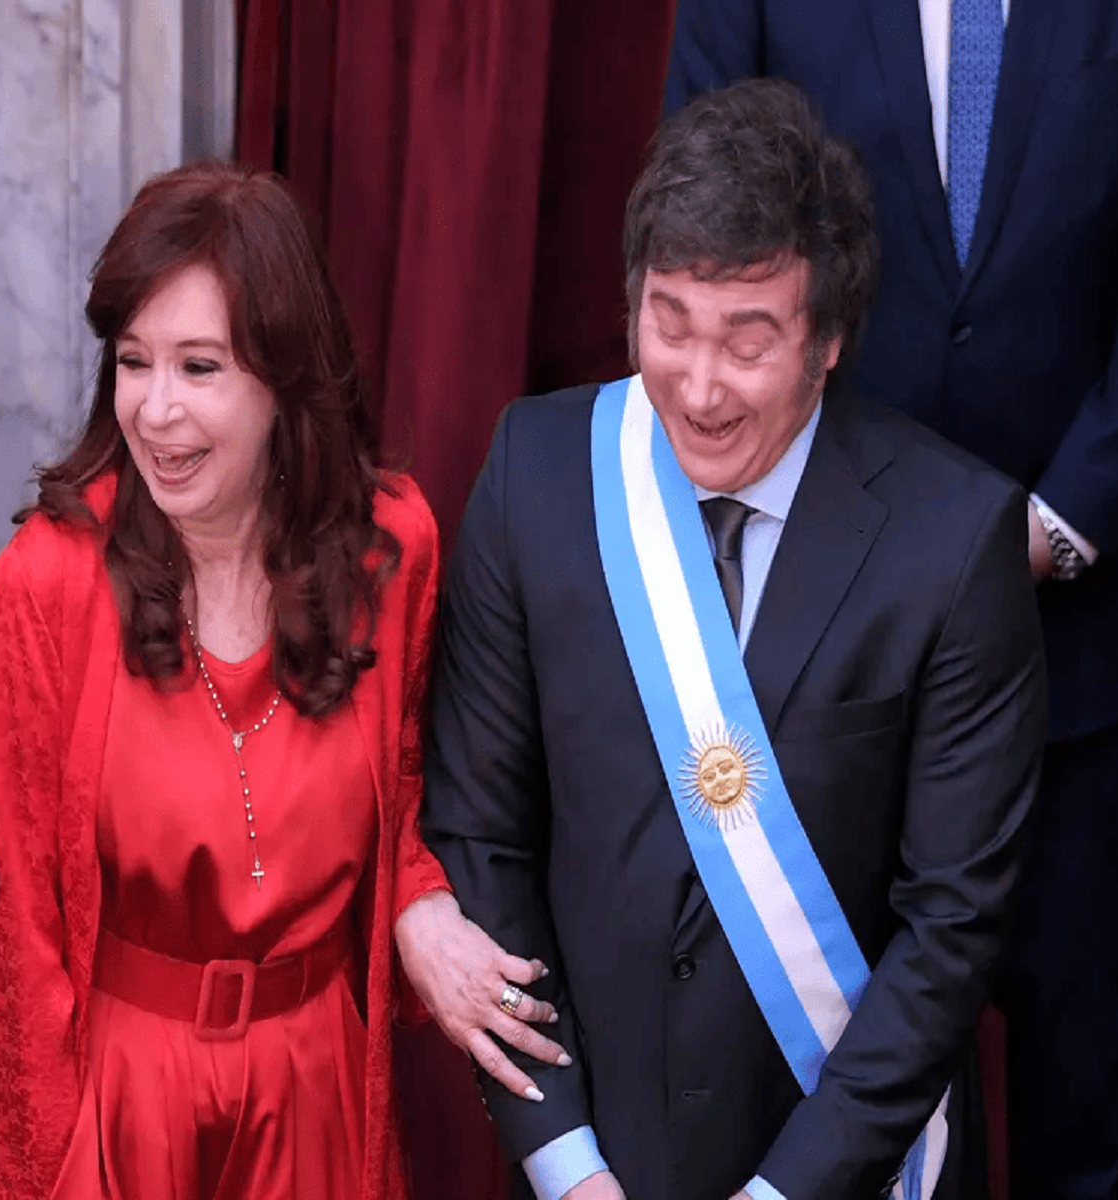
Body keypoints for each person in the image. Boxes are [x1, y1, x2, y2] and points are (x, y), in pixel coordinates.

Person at [404, 80, 1048, 1200]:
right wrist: (565, 1162)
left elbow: (952, 928)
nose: (697, 388)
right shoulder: (539, 475)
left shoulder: (954, 542)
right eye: (668, 323)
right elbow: (480, 830)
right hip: (595, 1161)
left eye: (748, 342)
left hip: (848, 1169)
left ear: (829, 339)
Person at [662, 3, 1118, 1196]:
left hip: (1081, 645)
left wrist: (1050, 529)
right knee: (827, 1088)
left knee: (1081, 1097)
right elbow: (703, 224)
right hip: (827, 632)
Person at [0, 159, 557, 1200]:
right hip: (119, 1101)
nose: (157, 413)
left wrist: (422, 908)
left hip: (314, 1092)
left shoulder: (390, 551)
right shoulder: (49, 579)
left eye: (200, 367)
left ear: (286, 376)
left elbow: (406, 806)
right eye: (134, 363)